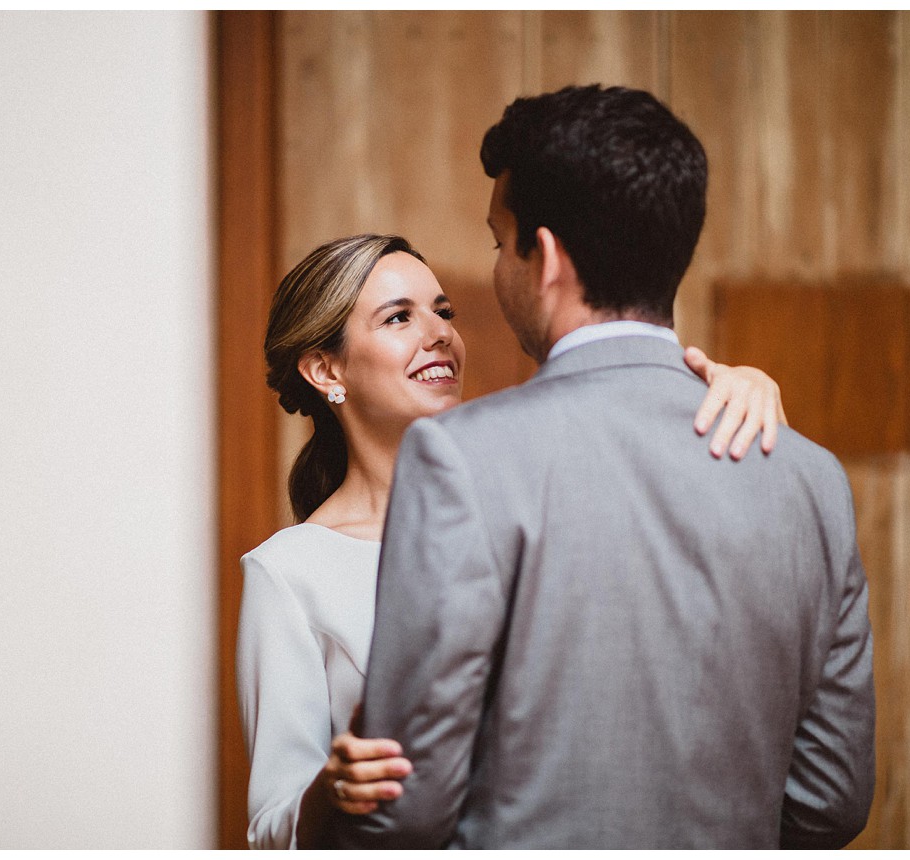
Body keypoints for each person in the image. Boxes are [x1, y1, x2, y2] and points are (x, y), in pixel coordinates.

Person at [327, 85, 876, 849]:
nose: (497, 266)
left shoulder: (460, 458)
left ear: (544, 257)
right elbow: (832, 804)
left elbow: (406, 809)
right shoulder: (811, 479)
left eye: (498, 240)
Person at [237, 233, 791, 849]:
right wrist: (330, 793)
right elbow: (269, 829)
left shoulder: (534, 499)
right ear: (325, 370)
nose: (439, 332)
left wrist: (728, 390)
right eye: (399, 317)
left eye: (443, 312)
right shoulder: (289, 573)